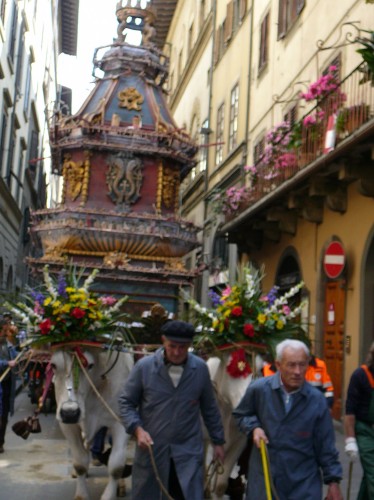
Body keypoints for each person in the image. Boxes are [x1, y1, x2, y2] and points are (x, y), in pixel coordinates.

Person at [118, 319, 225, 500]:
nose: (176, 352)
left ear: (190, 345)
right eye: (172, 346)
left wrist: (218, 442)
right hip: (152, 449)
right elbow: (126, 402)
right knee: (148, 494)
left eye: (182, 347)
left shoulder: (199, 369)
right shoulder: (144, 367)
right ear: (163, 341)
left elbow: (210, 408)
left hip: (187, 452)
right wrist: (137, 429)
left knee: (185, 493)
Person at [233, 339, 343, 500]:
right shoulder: (259, 389)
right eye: (291, 365)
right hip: (265, 479)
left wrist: (333, 482)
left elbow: (326, 445)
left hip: (303, 483)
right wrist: (254, 428)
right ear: (278, 365)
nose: (298, 371)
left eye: (302, 364)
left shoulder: (317, 400)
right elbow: (241, 414)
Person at [344, 341, 374, 499]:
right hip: (364, 430)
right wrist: (350, 439)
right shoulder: (360, 375)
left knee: (369, 476)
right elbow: (349, 411)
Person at [262, 351, 335, 409]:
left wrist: (327, 406)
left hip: (315, 408)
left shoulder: (319, 365)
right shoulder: (268, 369)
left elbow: (328, 390)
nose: (297, 370)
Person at [0, 317, 18, 453]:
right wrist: (7, 363)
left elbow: (14, 355)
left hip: (6, 385)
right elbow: (8, 362)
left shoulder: (6, 343)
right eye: (4, 330)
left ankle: (1, 442)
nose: (6, 333)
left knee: (4, 415)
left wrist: (26, 355)